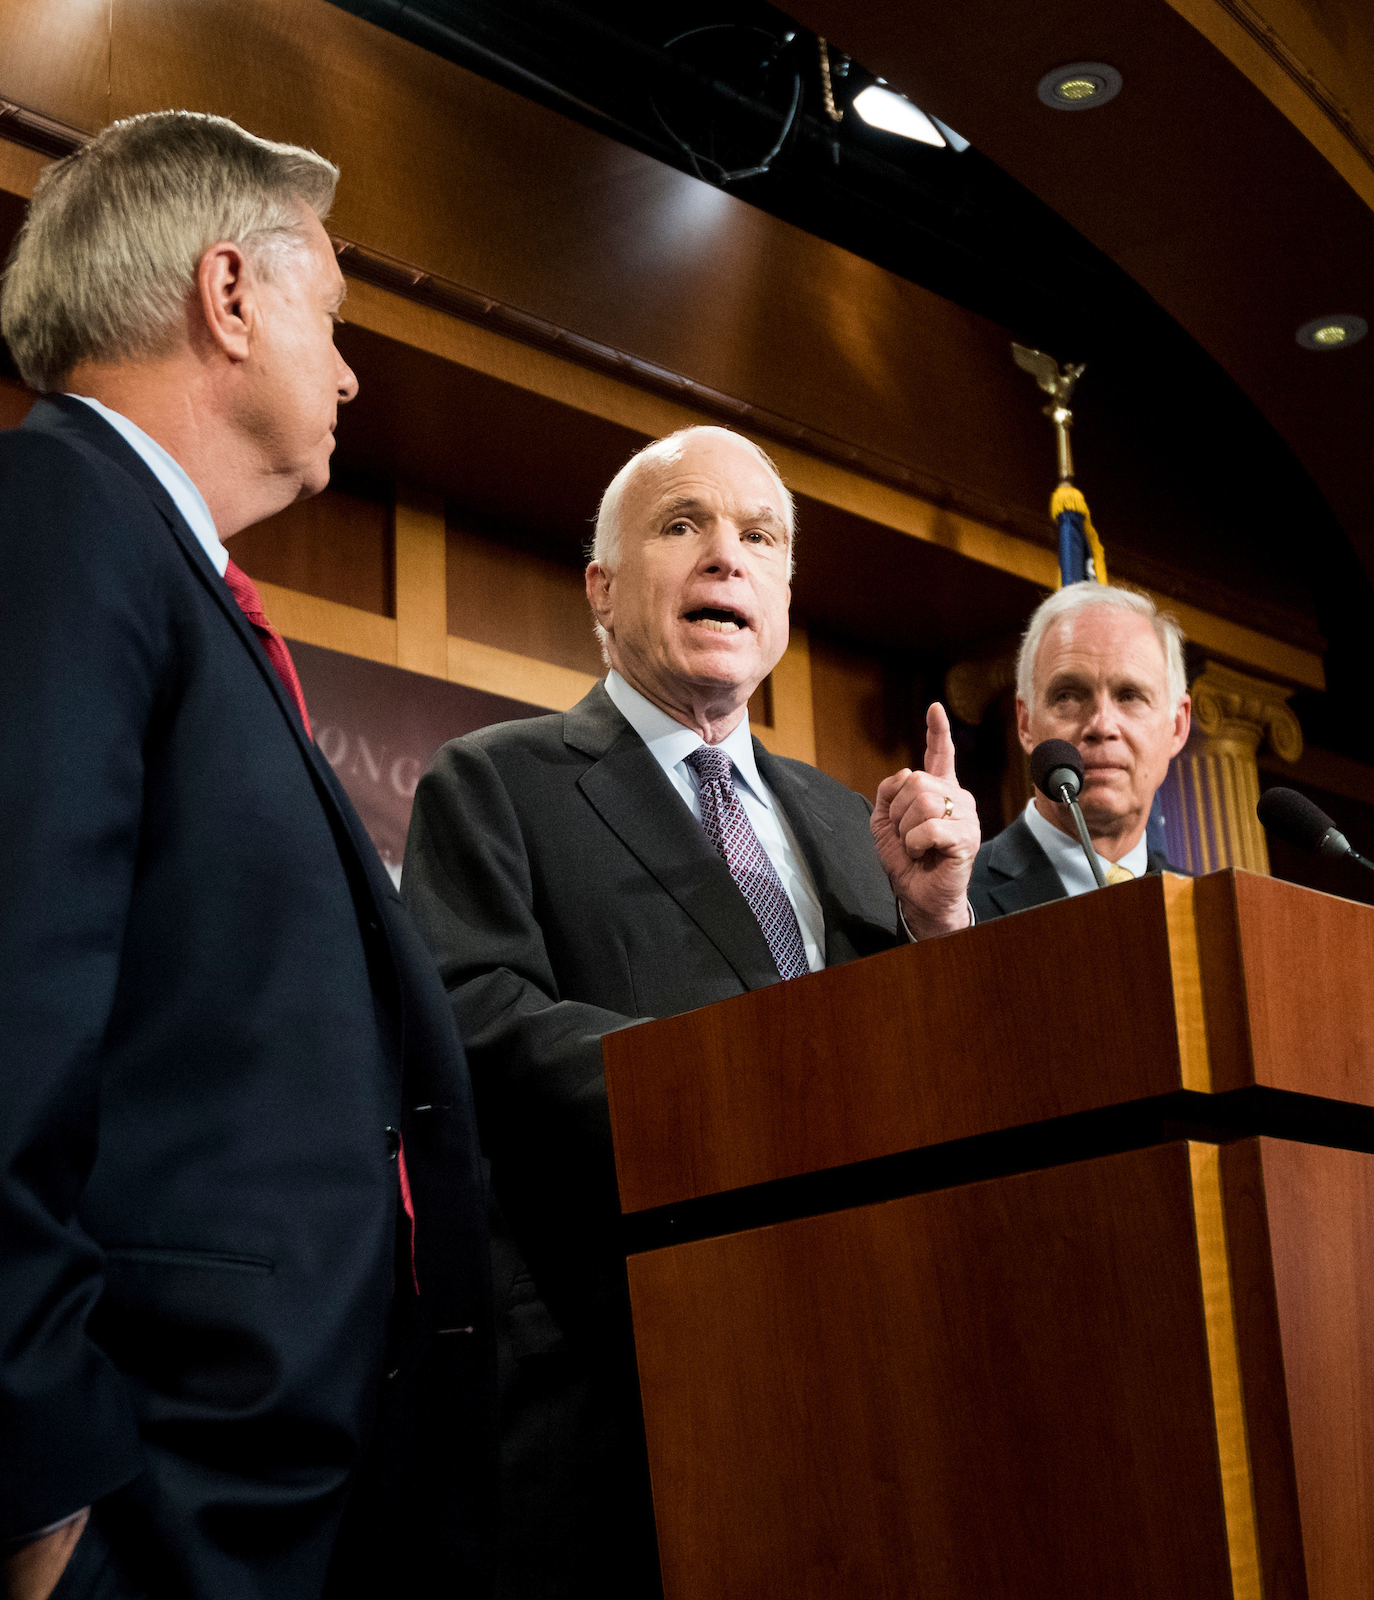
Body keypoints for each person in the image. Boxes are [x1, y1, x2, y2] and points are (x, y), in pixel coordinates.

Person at [0, 112, 491, 1600]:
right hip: (115, 1527)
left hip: (242, 1510)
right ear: (231, 294)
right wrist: (41, 1527)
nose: (354, 369)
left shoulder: (156, 573)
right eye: (333, 314)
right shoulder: (36, 515)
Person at [397, 425, 981, 1597]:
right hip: (621, 1389)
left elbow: (928, 1079)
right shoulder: (497, 781)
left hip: (869, 1371)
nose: (728, 558)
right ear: (602, 591)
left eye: (759, 537)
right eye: (683, 526)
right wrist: (747, 1082)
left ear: (782, 597)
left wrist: (939, 925)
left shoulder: (858, 824)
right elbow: (474, 1020)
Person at [970, 582, 1191, 918]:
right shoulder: (953, 906)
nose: (1102, 725)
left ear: (1177, 726)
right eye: (1069, 696)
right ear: (1025, 724)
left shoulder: (1209, 909)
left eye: (1130, 696)